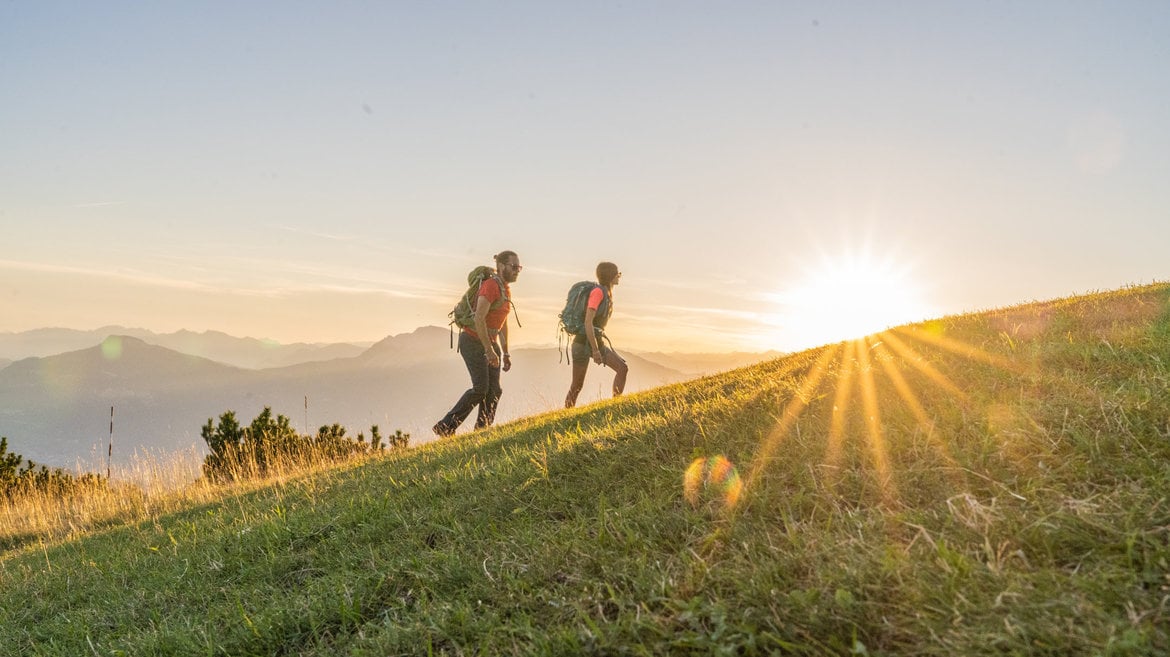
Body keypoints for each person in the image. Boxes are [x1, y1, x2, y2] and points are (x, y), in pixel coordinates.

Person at [433, 251, 522, 437]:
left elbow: (503, 322)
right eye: (514, 267)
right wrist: (489, 351)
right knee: (481, 388)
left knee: (494, 390)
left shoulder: (505, 289)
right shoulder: (491, 286)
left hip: (489, 342)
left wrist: (505, 353)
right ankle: (445, 427)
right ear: (501, 266)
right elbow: (479, 317)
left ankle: (481, 431)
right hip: (472, 341)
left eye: (519, 267)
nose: (517, 271)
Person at [565, 261, 628, 408]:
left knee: (622, 368)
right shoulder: (598, 293)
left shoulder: (607, 293)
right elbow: (588, 322)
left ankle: (616, 406)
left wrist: (597, 347)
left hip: (596, 341)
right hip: (582, 343)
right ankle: (566, 413)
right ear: (611, 276)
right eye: (617, 273)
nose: (619, 276)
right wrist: (595, 350)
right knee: (577, 386)